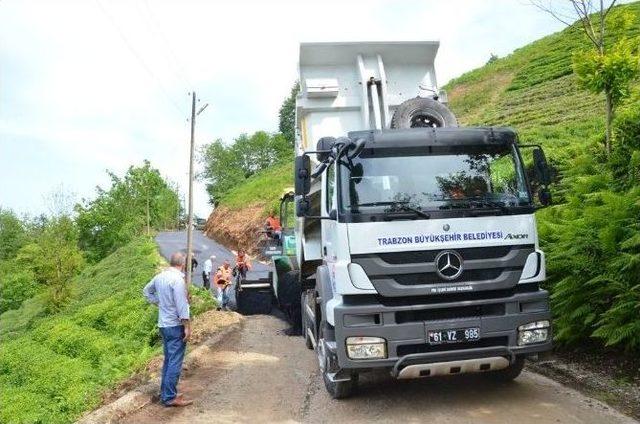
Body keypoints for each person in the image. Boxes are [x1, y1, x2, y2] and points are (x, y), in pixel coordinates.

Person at [142, 252, 193, 407]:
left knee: (169, 360)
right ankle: (170, 397)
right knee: (175, 362)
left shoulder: (160, 277)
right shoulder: (177, 280)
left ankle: (166, 392)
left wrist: (159, 303)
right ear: (183, 264)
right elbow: (181, 305)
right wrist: (187, 326)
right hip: (175, 325)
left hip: (164, 325)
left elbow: (146, 291)